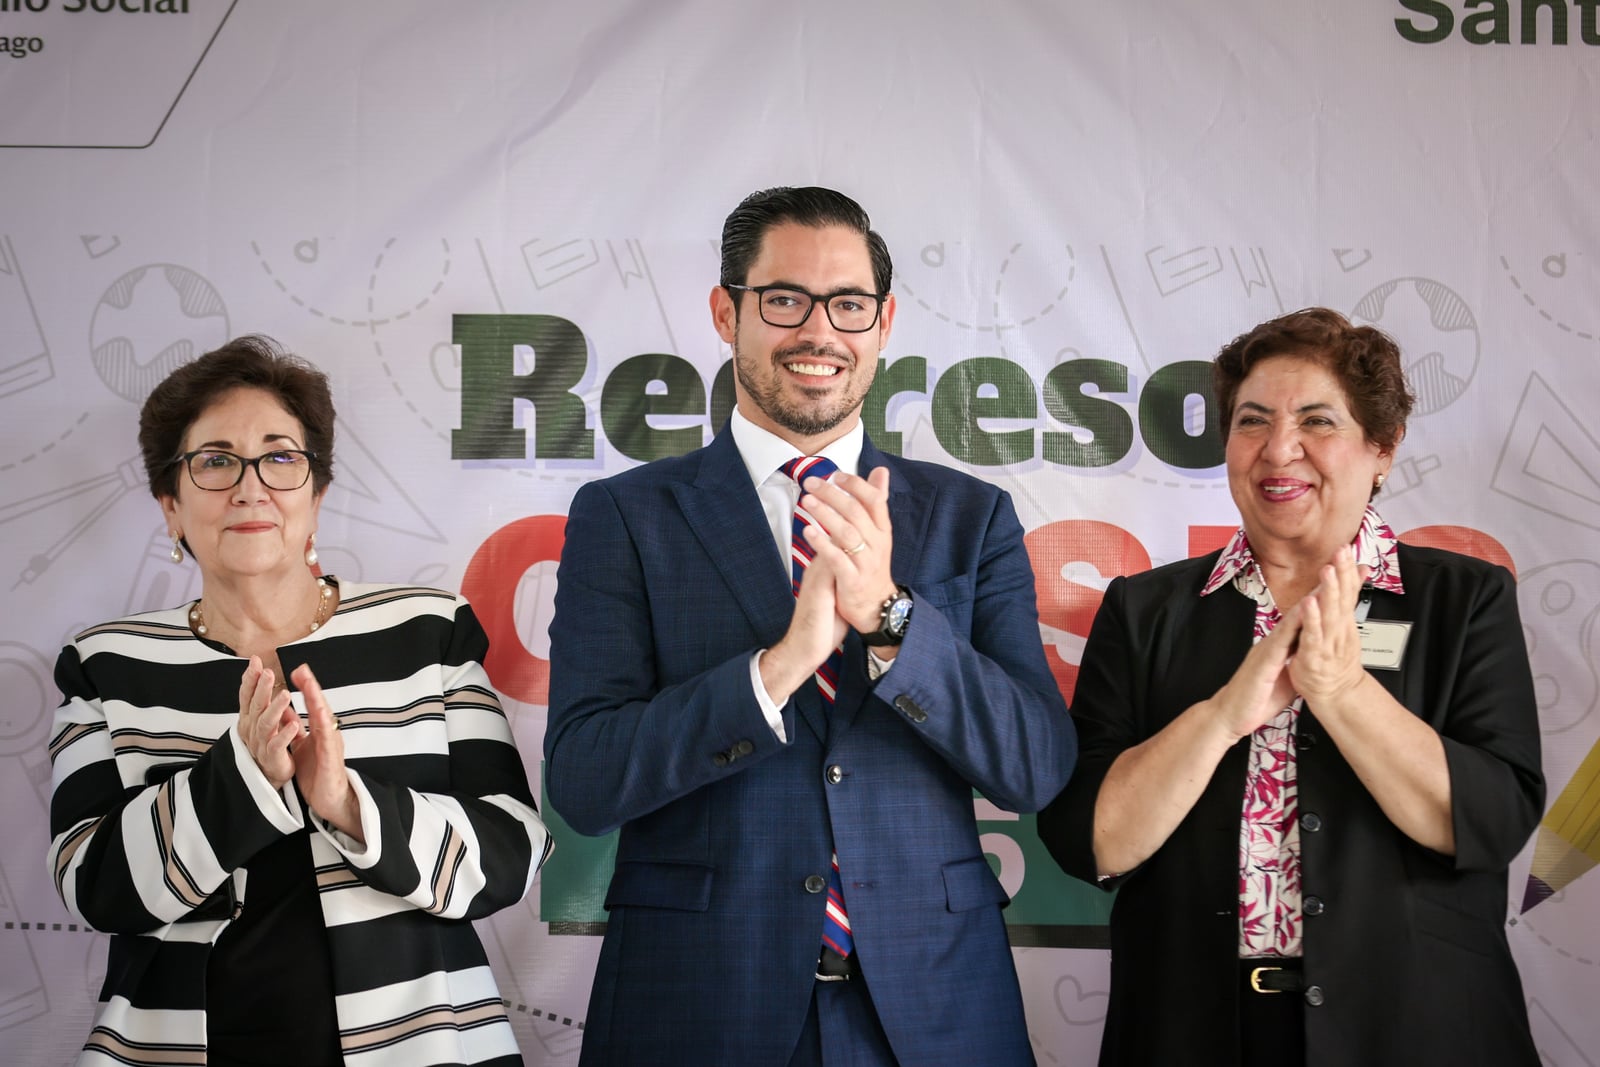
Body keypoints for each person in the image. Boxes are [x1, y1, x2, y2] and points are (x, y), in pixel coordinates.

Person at [543, 186, 1076, 1065]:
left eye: (849, 304)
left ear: (884, 320)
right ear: (728, 312)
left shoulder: (970, 517)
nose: (818, 332)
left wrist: (891, 618)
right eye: (784, 299)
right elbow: (587, 779)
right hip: (697, 1006)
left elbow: (1034, 766)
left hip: (935, 1011)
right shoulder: (625, 516)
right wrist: (777, 669)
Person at [1036, 307, 1544, 1066]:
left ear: (1383, 448)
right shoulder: (1146, 612)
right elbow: (1091, 840)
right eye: (1252, 420)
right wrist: (1220, 717)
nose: (1280, 449)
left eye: (1317, 420)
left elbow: (1490, 820)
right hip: (1191, 1032)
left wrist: (1339, 688)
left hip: (1417, 1030)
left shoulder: (1463, 601)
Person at [46, 336, 552, 1067]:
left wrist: (349, 801)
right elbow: (93, 884)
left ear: (316, 494)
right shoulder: (107, 663)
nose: (250, 486)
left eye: (280, 457)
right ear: (171, 506)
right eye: (214, 460)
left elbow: (511, 849)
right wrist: (242, 780)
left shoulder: (424, 629)